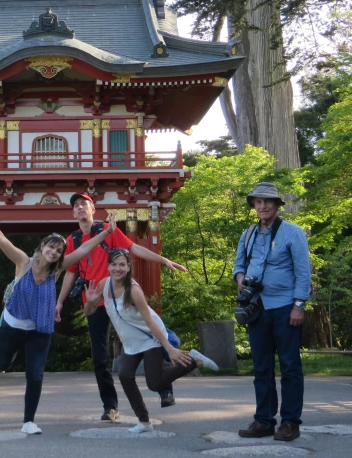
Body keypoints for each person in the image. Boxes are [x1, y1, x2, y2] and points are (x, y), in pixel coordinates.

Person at [0, 197, 118, 435]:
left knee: (35, 375)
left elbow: (84, 249)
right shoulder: (23, 262)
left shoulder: (57, 271)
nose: (55, 252)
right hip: (13, 325)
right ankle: (14, 350)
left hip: (40, 329)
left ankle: (28, 421)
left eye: (59, 250)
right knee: (1, 364)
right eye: (51, 247)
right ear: (42, 246)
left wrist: (107, 231)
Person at [56, 193, 188, 419]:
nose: (79, 208)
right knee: (100, 357)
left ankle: (165, 388)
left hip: (119, 297)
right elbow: (70, 272)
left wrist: (163, 260)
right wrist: (59, 302)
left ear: (92, 208)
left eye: (83, 204)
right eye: (75, 206)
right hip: (95, 301)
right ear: (73, 212)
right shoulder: (72, 240)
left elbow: (134, 249)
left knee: (150, 335)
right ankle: (110, 407)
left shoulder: (108, 230)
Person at [84, 248, 219, 433]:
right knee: (124, 376)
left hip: (151, 337)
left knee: (154, 383)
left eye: (122, 264)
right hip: (131, 342)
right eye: (114, 264)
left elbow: (150, 320)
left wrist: (169, 348)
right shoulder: (104, 285)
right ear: (108, 266)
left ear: (128, 266)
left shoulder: (134, 291)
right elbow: (89, 312)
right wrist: (91, 302)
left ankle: (194, 361)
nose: (117, 268)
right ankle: (144, 422)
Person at [233, 182, 311, 442]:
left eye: (267, 201)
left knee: (290, 367)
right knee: (261, 368)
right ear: (254, 206)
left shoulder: (292, 233)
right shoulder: (249, 234)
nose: (262, 206)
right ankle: (264, 421)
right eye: (258, 202)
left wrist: (299, 305)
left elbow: (303, 272)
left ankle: (290, 423)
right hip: (257, 308)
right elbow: (239, 263)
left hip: (286, 308)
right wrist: (241, 278)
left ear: (277, 205)